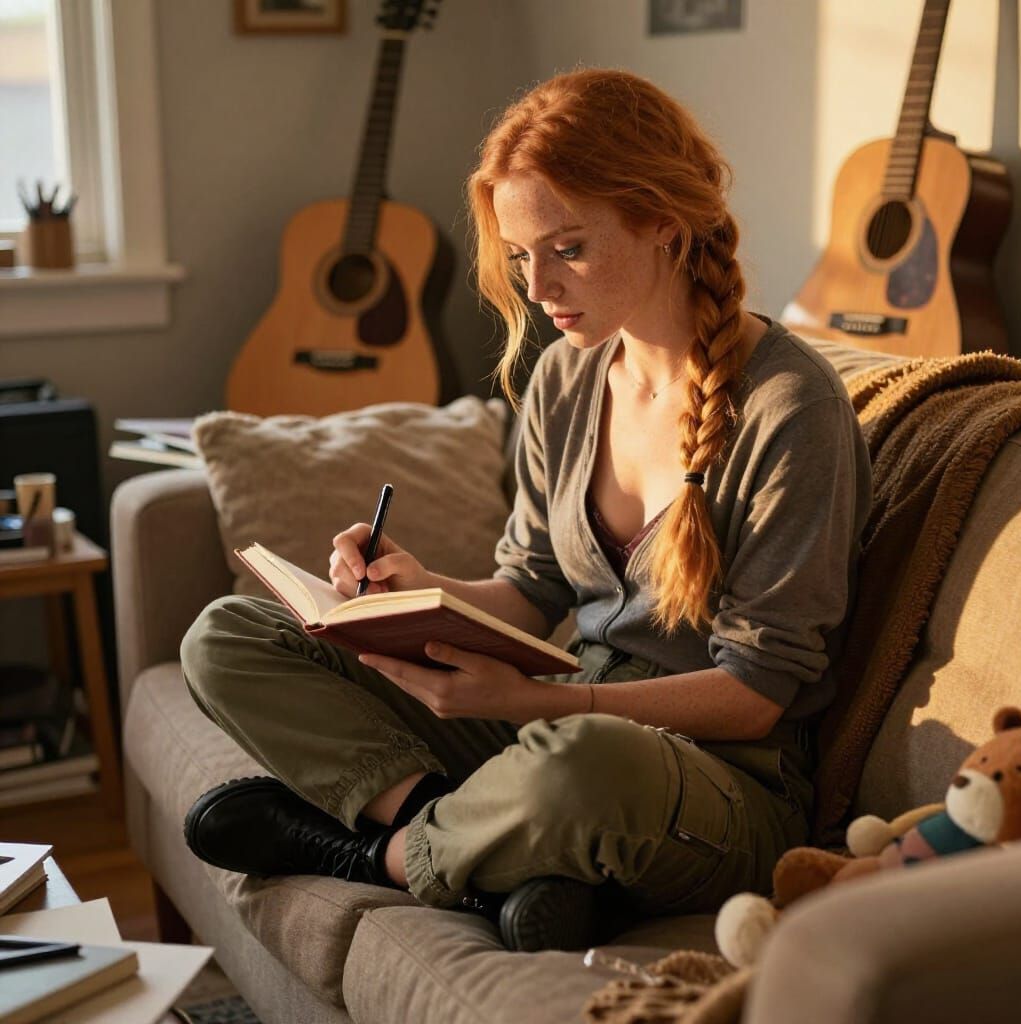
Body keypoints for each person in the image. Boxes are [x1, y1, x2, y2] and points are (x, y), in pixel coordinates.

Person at [180, 68, 872, 953]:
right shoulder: (568, 376)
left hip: (709, 777)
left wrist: (535, 699)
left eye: (568, 248)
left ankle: (377, 855)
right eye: (519, 256)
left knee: (582, 768)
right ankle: (478, 846)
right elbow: (533, 583)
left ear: (665, 220)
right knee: (233, 635)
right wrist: (417, 590)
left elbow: (755, 695)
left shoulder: (791, 410)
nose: (539, 286)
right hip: (553, 724)